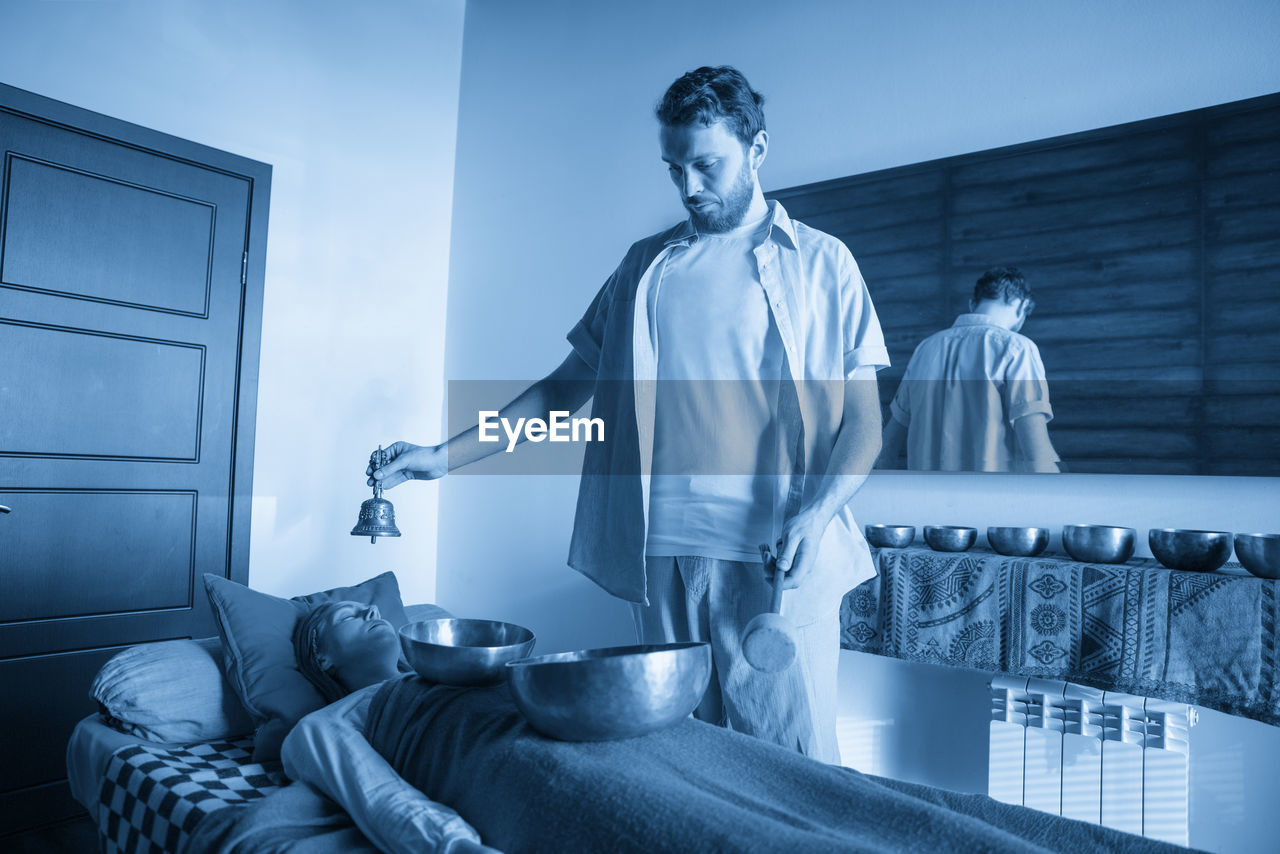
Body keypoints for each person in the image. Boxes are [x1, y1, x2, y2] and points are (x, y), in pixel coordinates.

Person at [367, 66, 889, 762]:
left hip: (777, 566)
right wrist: (442, 457)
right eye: (675, 169)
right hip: (660, 558)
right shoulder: (644, 268)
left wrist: (819, 512)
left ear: (757, 148)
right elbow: (560, 394)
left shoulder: (826, 265)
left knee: (795, 769)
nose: (689, 188)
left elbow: (865, 424)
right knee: (683, 763)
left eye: (707, 165)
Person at [267, 601, 1186, 854]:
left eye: (374, 606)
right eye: (350, 617)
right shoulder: (342, 717)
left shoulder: (491, 653)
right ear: (323, 658)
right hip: (531, 777)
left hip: (648, 735)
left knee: (836, 792)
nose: (377, 617)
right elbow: (374, 797)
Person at [878, 267, 1061, 473]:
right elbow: (1037, 452)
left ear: (973, 304)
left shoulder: (924, 349)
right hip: (991, 500)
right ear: (1023, 307)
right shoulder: (1017, 348)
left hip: (926, 500)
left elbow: (887, 448)